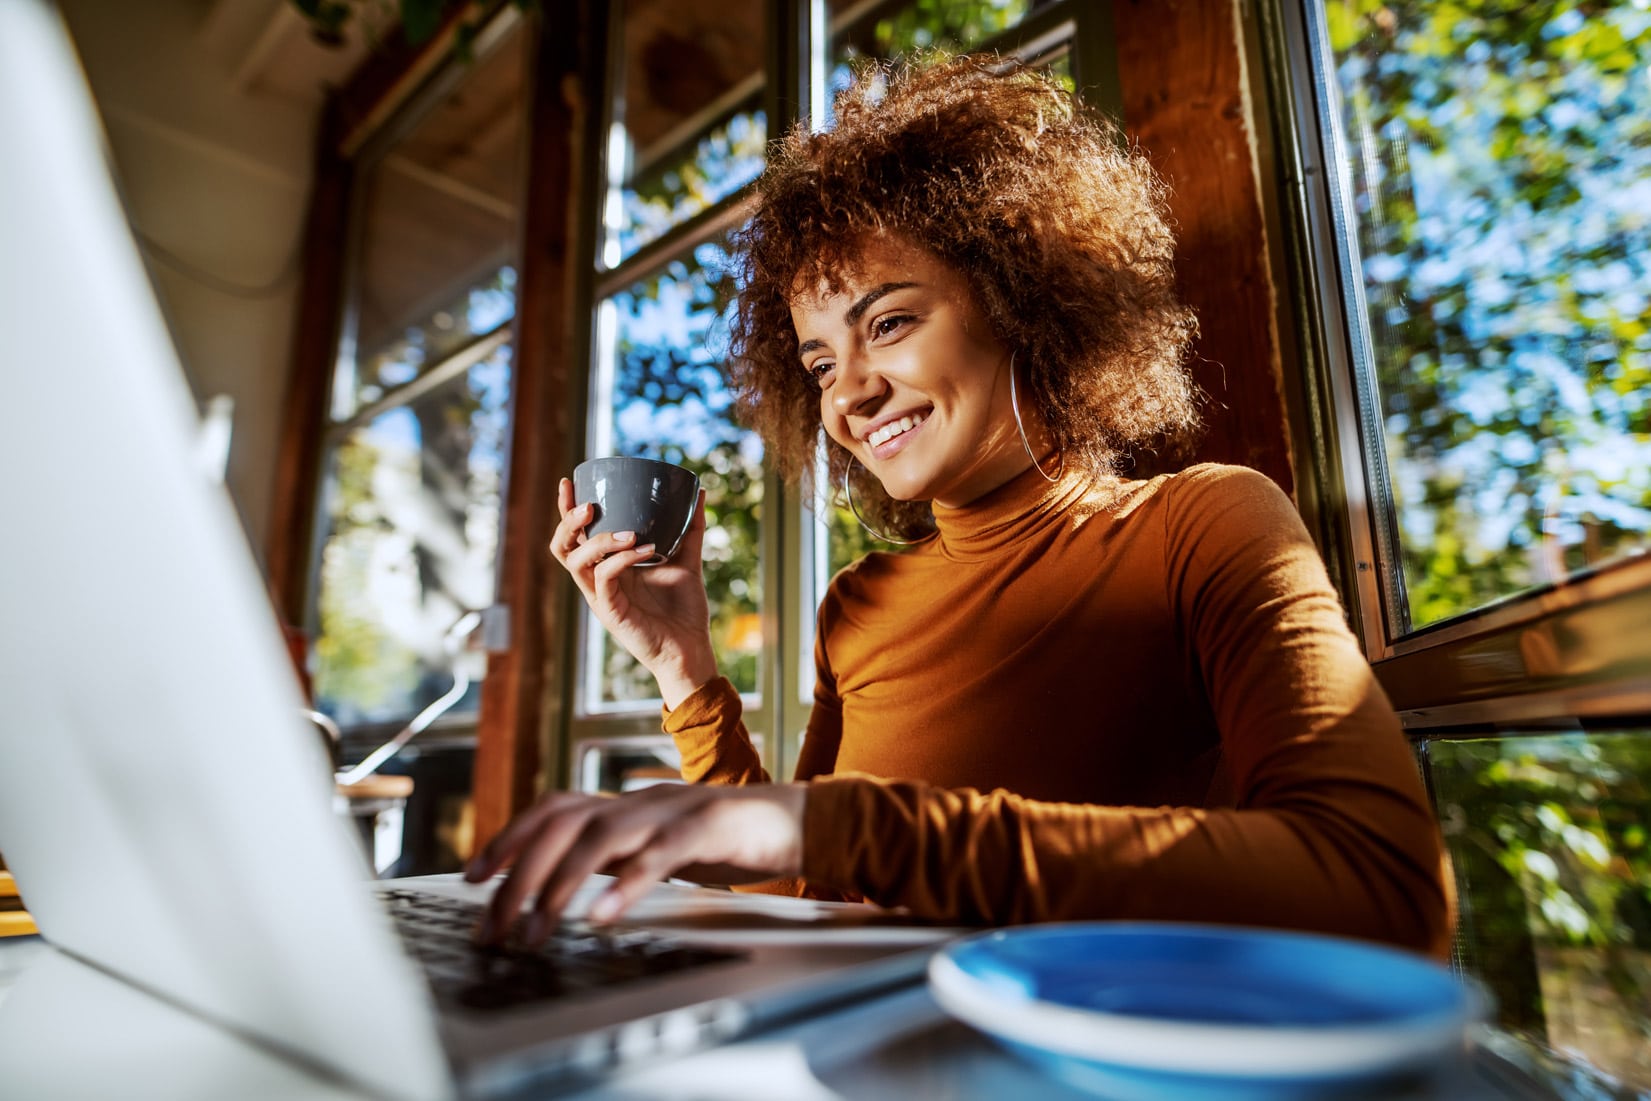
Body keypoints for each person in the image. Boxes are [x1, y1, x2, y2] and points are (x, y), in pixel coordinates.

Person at [466, 54, 1454, 957]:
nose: (846, 394)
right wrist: (684, 672)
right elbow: (797, 889)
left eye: (888, 323)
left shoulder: (1202, 525)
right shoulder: (858, 604)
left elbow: (1378, 886)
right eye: (818, 363)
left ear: (1024, 299)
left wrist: (844, 826)